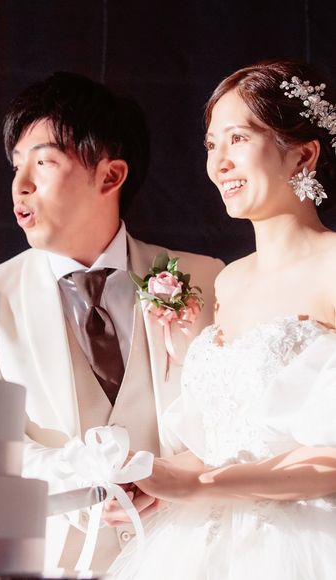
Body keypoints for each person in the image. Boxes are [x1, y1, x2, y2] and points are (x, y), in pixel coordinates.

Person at [0, 72, 222, 573]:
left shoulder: (205, 279)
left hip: (189, 557)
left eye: (43, 162)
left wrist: (175, 475)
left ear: (110, 176)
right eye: (16, 165)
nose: (20, 185)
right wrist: (80, 478)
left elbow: (232, 423)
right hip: (50, 561)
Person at [109, 59, 336, 580]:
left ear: (303, 154)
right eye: (212, 145)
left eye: (238, 138)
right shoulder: (230, 281)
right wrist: (156, 478)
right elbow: (227, 441)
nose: (219, 164)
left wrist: (201, 485)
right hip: (206, 544)